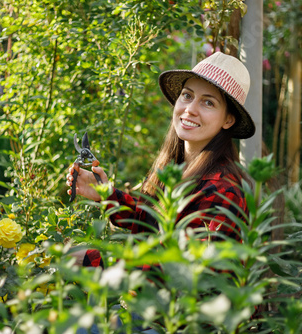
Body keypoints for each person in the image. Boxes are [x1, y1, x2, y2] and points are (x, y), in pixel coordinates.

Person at [67, 51, 255, 333]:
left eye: (208, 102)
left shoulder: (223, 187)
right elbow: (154, 221)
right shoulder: (178, 166)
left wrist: (98, 259)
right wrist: (105, 194)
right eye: (187, 95)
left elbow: (183, 272)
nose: (190, 109)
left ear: (228, 120)